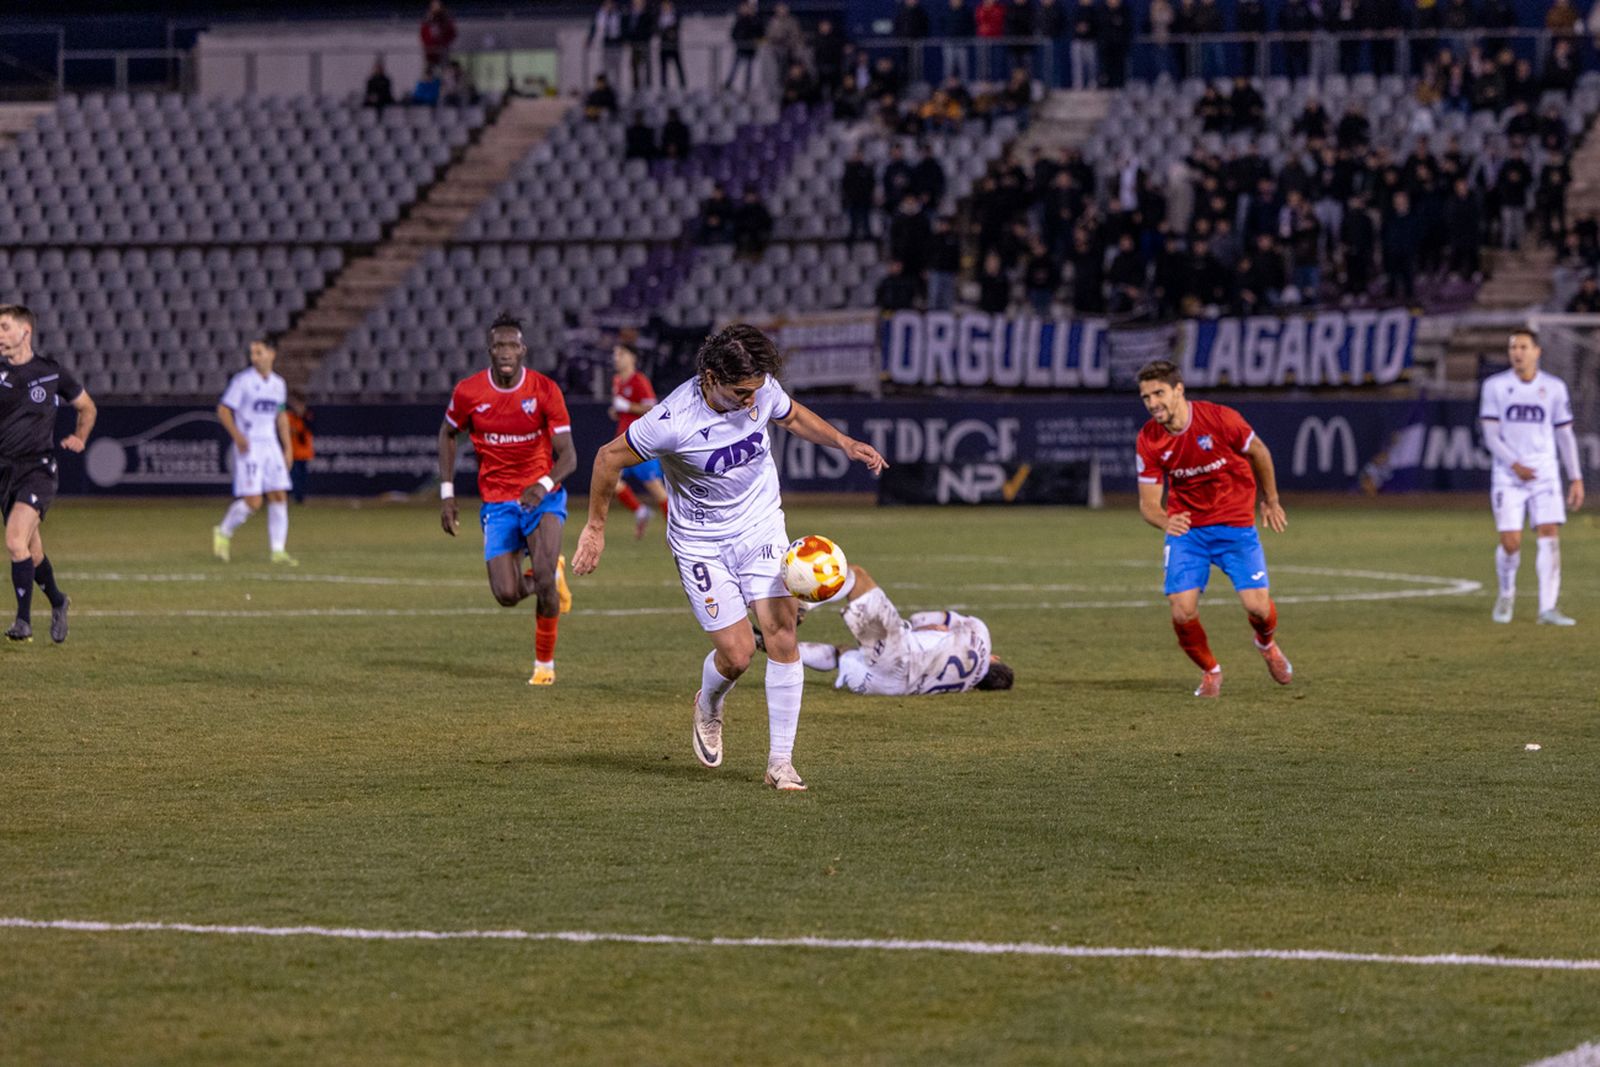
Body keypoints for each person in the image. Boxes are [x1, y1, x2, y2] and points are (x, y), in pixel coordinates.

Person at [573, 324, 889, 791]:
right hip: (701, 541)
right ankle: (709, 705)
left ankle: (780, 762)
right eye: (741, 392)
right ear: (710, 376)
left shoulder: (758, 389)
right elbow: (606, 458)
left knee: (781, 633)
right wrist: (595, 528)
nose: (751, 402)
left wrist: (844, 442)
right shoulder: (671, 421)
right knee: (738, 654)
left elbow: (792, 416)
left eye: (756, 392)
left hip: (760, 525)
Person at [1134, 359, 1292, 697]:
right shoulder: (1149, 439)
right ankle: (1210, 671)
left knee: (1258, 608)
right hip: (1188, 531)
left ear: (1179, 390)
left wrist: (1271, 499)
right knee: (1182, 610)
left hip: (1235, 524)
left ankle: (1267, 645)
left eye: (1158, 393)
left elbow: (1259, 451)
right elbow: (1148, 505)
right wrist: (1166, 520)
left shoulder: (1220, 419)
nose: (1152, 403)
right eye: (1146, 397)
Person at [438, 314, 577, 685]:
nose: (505, 352)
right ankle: (548, 575)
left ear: (523, 350)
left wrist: (544, 483)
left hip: (542, 499)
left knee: (544, 579)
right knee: (506, 593)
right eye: (499, 345)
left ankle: (544, 666)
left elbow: (570, 457)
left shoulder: (544, 391)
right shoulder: (469, 393)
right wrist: (447, 494)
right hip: (497, 502)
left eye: (512, 345)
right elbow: (448, 434)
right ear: (489, 350)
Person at [0, 304, 95, 644]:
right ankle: (58, 600)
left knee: (14, 540)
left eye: (4, 327)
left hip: (38, 469)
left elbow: (87, 407)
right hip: (5, 473)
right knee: (31, 551)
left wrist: (80, 437)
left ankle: (23, 622)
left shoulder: (52, 372)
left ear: (25, 332)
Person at [775, 564, 1015, 696]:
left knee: (856, 577)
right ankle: (769, 642)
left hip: (903, 653)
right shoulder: (964, 685)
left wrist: (933, 628)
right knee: (841, 653)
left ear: (995, 658)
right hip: (888, 686)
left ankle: (803, 606)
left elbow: (921, 618)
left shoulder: (980, 633)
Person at [1479, 329, 1585, 625]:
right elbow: (1490, 435)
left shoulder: (1554, 388)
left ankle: (1547, 608)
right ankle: (1506, 592)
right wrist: (1514, 464)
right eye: (1513, 347)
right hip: (1508, 474)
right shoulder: (1495, 386)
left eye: (1524, 347)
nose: (1518, 352)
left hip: (1544, 473)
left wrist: (1575, 477)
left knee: (1549, 535)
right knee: (1511, 542)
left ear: (1537, 351)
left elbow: (1565, 435)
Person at [211, 339, 297, 567]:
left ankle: (278, 551)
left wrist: (288, 448)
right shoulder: (243, 382)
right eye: (252, 353)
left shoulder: (278, 384)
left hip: (271, 444)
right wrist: (237, 435)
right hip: (251, 445)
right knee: (254, 501)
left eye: (259, 352)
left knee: (279, 495)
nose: (254, 357)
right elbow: (223, 410)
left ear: (271, 354)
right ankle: (223, 531)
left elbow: (281, 417)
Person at [609, 342, 669, 538]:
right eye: (615, 354)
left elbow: (652, 408)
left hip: (640, 443)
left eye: (620, 353)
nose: (616, 357)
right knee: (610, 480)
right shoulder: (617, 381)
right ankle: (640, 511)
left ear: (632, 358)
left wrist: (628, 406)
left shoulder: (639, 380)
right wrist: (617, 411)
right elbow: (621, 411)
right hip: (621, 441)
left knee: (657, 490)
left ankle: (676, 529)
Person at [287, 391, 314, 505]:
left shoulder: (308, 415)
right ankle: (287, 496)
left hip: (304, 452)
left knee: (302, 477)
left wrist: (302, 416)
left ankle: (300, 498)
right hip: (293, 452)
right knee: (292, 476)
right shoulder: (288, 415)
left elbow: (311, 428)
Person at [420, 0, 456, 71]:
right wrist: (429, 46)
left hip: (442, 51)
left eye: (438, 7)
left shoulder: (446, 22)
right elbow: (423, 35)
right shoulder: (427, 22)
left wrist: (444, 44)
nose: (436, 9)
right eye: (434, 7)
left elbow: (452, 33)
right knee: (430, 71)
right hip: (430, 52)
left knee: (444, 70)